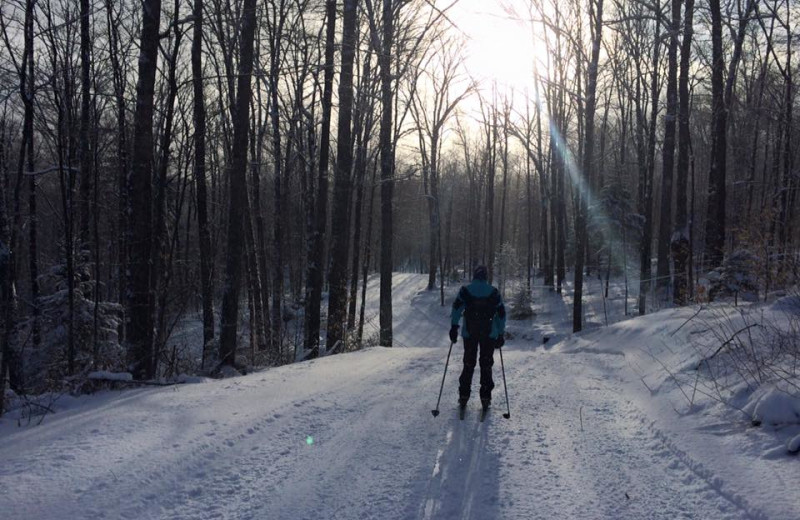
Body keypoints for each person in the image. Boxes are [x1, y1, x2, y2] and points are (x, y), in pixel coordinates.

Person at [449, 265, 506, 411]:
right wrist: (500, 333)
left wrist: (454, 327)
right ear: (486, 277)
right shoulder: (493, 292)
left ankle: (463, 396)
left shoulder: (465, 291)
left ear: (474, 276)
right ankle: (485, 397)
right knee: (486, 365)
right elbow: (501, 314)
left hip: (470, 333)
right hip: (489, 334)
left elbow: (456, 309)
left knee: (468, 364)